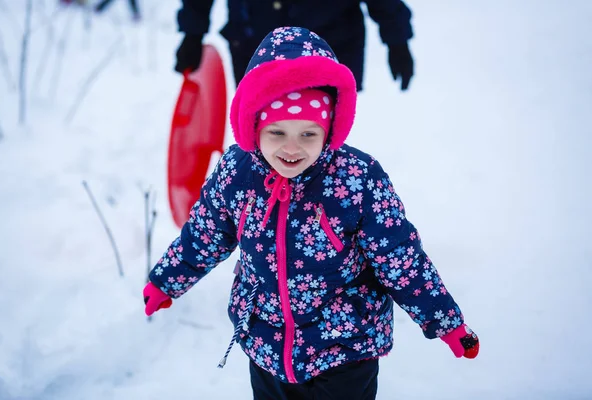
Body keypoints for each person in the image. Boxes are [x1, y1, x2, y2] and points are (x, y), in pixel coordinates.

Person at [144, 26, 478, 399]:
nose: (292, 148)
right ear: (255, 125)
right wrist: (165, 280)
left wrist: (445, 322)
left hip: (346, 352)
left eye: (308, 134)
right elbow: (205, 233)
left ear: (329, 129)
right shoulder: (237, 173)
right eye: (277, 133)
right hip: (266, 347)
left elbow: (400, 260)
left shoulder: (357, 180)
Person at [174, 0, 415, 92]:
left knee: (318, 140)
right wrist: (192, 33)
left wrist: (397, 40)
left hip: (328, 46)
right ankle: (266, 200)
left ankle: (323, 200)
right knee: (263, 137)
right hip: (255, 42)